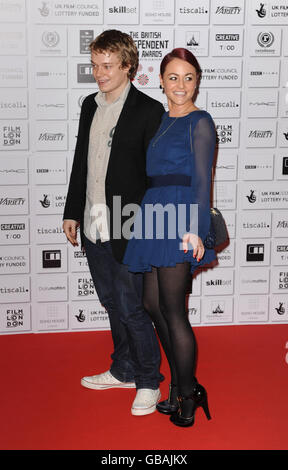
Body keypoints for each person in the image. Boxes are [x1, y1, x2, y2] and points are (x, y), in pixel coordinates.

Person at [63, 30, 165, 416]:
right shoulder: (90, 104)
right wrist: (72, 210)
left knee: (132, 306)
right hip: (92, 221)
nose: (98, 73)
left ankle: (148, 381)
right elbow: (81, 162)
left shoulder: (148, 111)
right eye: (94, 65)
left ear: (128, 66)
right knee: (110, 302)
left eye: (107, 66)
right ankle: (123, 369)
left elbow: (154, 177)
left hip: (127, 223)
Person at [123, 48, 217, 427]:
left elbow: (201, 179)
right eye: (173, 77)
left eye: (188, 77)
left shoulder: (201, 121)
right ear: (160, 80)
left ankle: (188, 393)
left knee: (174, 310)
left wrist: (196, 229)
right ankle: (180, 384)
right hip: (153, 212)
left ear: (197, 81)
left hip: (180, 215)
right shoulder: (160, 120)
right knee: (151, 303)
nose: (181, 85)